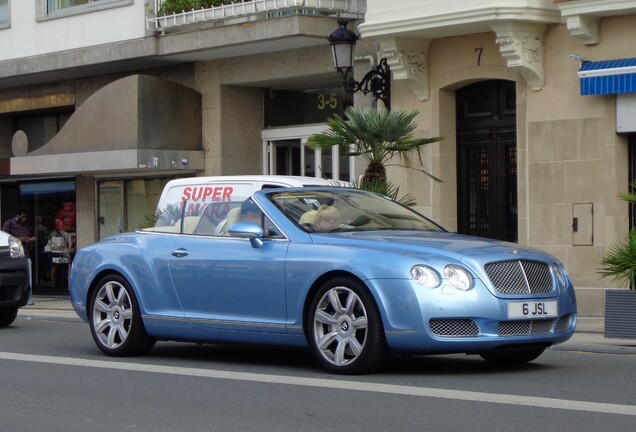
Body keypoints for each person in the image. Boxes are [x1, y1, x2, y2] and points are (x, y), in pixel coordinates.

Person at [2, 209, 36, 304]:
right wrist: (21, 239)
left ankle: (29, 297)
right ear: (17, 216)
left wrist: (30, 239)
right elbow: (5, 238)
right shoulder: (9, 224)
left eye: (25, 217)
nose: (24, 219)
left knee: (29, 278)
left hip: (25, 254)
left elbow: (28, 236)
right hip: (14, 255)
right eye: (23, 217)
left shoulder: (25, 225)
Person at [47, 219, 71, 288]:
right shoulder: (63, 234)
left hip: (58, 253)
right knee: (60, 267)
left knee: (57, 267)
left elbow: (49, 243)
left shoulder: (53, 233)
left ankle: (56, 282)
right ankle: (59, 281)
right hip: (60, 253)